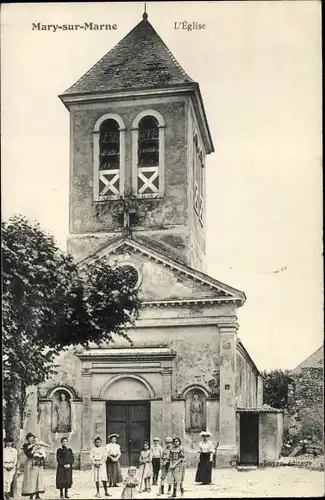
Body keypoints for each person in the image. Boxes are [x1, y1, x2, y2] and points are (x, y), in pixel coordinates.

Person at [21, 432, 45, 499]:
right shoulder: (26, 446)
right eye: (30, 438)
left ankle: (37, 494)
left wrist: (41, 457)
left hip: (38, 462)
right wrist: (33, 450)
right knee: (31, 479)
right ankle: (31, 494)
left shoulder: (37, 444)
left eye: (32, 438)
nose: (31, 439)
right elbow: (28, 454)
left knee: (38, 478)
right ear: (27, 439)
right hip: (30, 462)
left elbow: (42, 451)